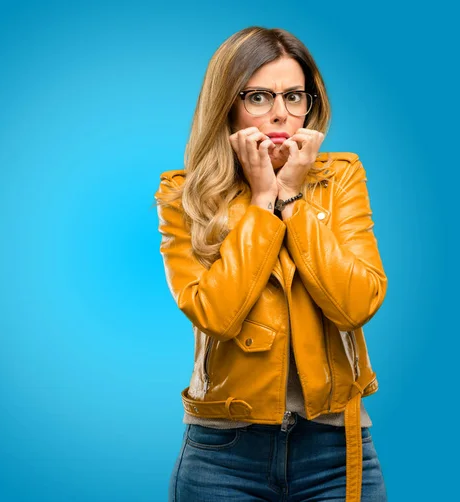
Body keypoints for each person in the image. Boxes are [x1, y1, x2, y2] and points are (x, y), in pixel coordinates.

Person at [154, 26, 388, 502]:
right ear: (228, 104)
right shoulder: (184, 194)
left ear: (310, 104)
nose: (281, 114)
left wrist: (294, 197)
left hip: (336, 448)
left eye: (294, 96)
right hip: (222, 453)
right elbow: (216, 316)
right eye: (259, 96)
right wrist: (262, 202)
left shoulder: (339, 179)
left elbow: (357, 305)